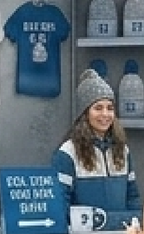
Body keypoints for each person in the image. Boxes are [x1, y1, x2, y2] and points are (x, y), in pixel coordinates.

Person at [54, 70, 137, 221]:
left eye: (110, 108)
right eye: (98, 108)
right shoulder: (68, 152)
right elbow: (61, 202)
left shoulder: (123, 150)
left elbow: (132, 197)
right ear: (84, 114)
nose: (105, 114)